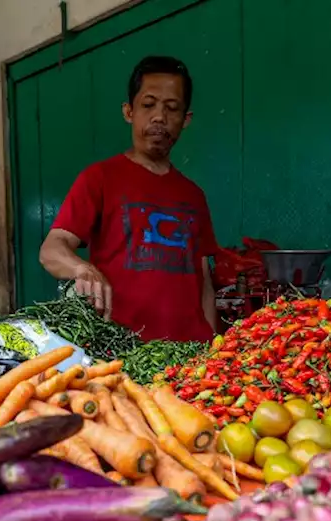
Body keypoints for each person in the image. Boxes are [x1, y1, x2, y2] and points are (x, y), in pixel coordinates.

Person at [39, 56, 219, 342]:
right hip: (123, 351)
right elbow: (51, 250)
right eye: (148, 105)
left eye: (172, 108)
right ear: (128, 111)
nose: (159, 117)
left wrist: (213, 343)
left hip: (189, 355)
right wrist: (83, 269)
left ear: (186, 120)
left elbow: (204, 280)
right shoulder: (99, 178)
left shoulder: (193, 195)